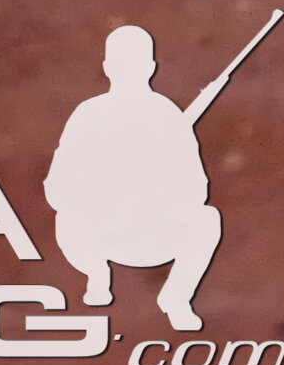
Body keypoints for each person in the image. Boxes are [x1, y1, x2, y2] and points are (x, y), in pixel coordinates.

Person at [49, 22, 229, 331]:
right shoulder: (89, 115)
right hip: (101, 234)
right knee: (67, 217)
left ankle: (176, 297)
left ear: (108, 67)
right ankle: (97, 276)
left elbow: (197, 191)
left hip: (154, 235)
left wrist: (154, 187)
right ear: (150, 67)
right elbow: (57, 190)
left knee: (206, 219)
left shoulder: (167, 116)